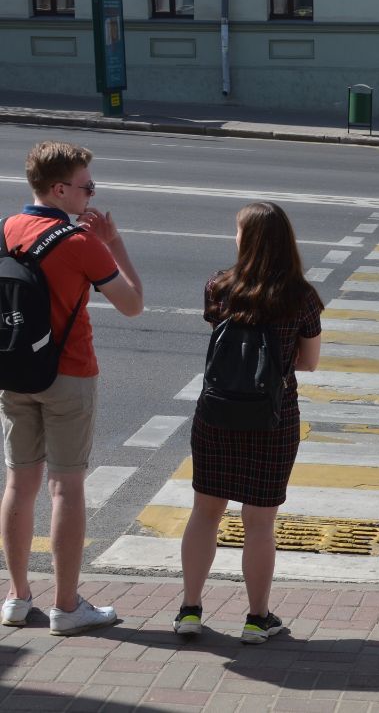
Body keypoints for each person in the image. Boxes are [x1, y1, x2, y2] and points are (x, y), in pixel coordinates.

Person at [1, 141, 144, 636]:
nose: (92, 196)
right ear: (59, 189)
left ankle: (17, 598)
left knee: (20, 483)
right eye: (87, 187)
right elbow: (132, 303)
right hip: (69, 373)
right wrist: (113, 241)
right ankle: (66, 607)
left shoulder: (6, 229)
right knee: (66, 487)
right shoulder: (81, 241)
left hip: (14, 372)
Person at [174, 202, 322, 644]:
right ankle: (257, 619)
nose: (234, 237)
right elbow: (309, 363)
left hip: (217, 413)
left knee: (205, 511)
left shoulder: (220, 288)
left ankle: (189, 610)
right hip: (272, 418)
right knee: (259, 521)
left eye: (237, 231)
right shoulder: (301, 297)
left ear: (250, 240)